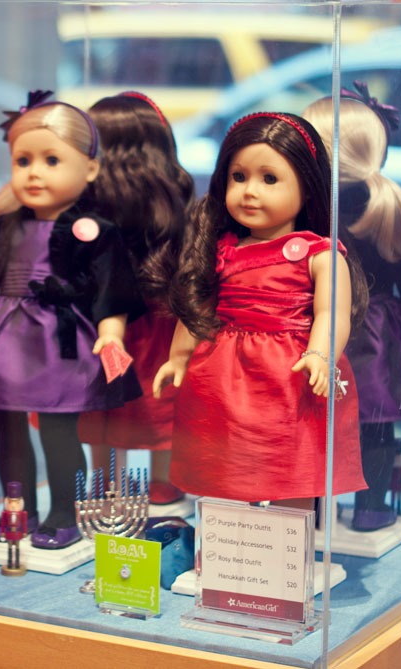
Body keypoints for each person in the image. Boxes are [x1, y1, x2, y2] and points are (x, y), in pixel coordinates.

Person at [0, 90, 146, 549]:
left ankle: (64, 513)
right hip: (3, 341)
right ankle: (17, 508)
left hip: (61, 342)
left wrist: (111, 334)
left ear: (91, 169)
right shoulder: (3, 229)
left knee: (59, 431)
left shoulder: (96, 232)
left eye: (51, 160)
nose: (34, 172)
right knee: (8, 431)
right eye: (23, 161)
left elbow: (110, 290)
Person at [152, 112, 367, 508]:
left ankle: (290, 540)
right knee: (226, 460)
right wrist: (178, 357)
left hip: (290, 375)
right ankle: (234, 537)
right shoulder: (221, 249)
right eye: (239, 177)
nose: (250, 192)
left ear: (308, 186)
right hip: (222, 375)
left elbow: (331, 314)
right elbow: (199, 308)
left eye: (269, 179)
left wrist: (321, 355)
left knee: (292, 462)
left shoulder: (320, 254)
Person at [303, 83, 401, 530]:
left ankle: (314, 509)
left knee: (318, 421)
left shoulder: (319, 209)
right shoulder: (392, 205)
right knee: (376, 423)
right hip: (378, 331)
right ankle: (371, 508)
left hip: (332, 327)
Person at [75, 91, 195, 505]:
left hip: (108, 322)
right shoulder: (171, 200)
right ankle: (160, 478)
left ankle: (107, 479)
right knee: (158, 400)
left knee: (107, 406)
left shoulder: (90, 203)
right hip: (156, 323)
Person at [0, 481, 28, 576]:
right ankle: (9, 563)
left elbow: (24, 524)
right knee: (9, 548)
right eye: (11, 502)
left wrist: (24, 532)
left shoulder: (23, 514)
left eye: (16, 503)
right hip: (9, 533)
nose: (13, 505)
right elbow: (3, 524)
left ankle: (17, 563)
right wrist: (2, 532)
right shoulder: (5, 514)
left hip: (18, 533)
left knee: (17, 548)